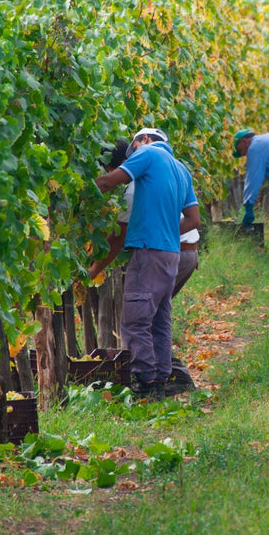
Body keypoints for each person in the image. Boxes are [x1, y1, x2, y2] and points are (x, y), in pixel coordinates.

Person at [94, 127, 200, 400]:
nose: (133, 158)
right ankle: (161, 381)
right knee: (160, 320)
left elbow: (108, 183)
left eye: (133, 151)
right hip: (171, 254)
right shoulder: (180, 169)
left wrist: (69, 192)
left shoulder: (148, 153)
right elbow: (193, 219)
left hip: (148, 252)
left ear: (144, 140)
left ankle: (144, 382)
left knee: (136, 320)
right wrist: (164, 231)